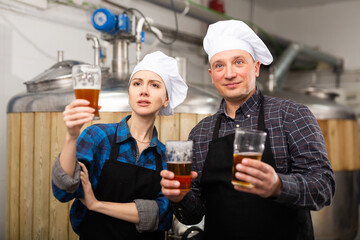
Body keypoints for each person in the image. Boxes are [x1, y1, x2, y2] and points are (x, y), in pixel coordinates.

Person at [160, 20, 335, 239]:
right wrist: (180, 197)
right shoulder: (201, 132)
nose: (229, 73)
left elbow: (323, 187)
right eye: (219, 66)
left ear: (256, 67)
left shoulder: (292, 115)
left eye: (239, 62)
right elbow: (193, 215)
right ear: (211, 75)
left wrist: (278, 186)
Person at [51, 51, 188, 239]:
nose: (144, 90)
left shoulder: (165, 156)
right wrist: (71, 136)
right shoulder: (98, 137)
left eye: (154, 85)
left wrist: (97, 205)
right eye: (137, 83)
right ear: (130, 92)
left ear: (166, 100)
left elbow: (161, 216)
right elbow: (63, 191)